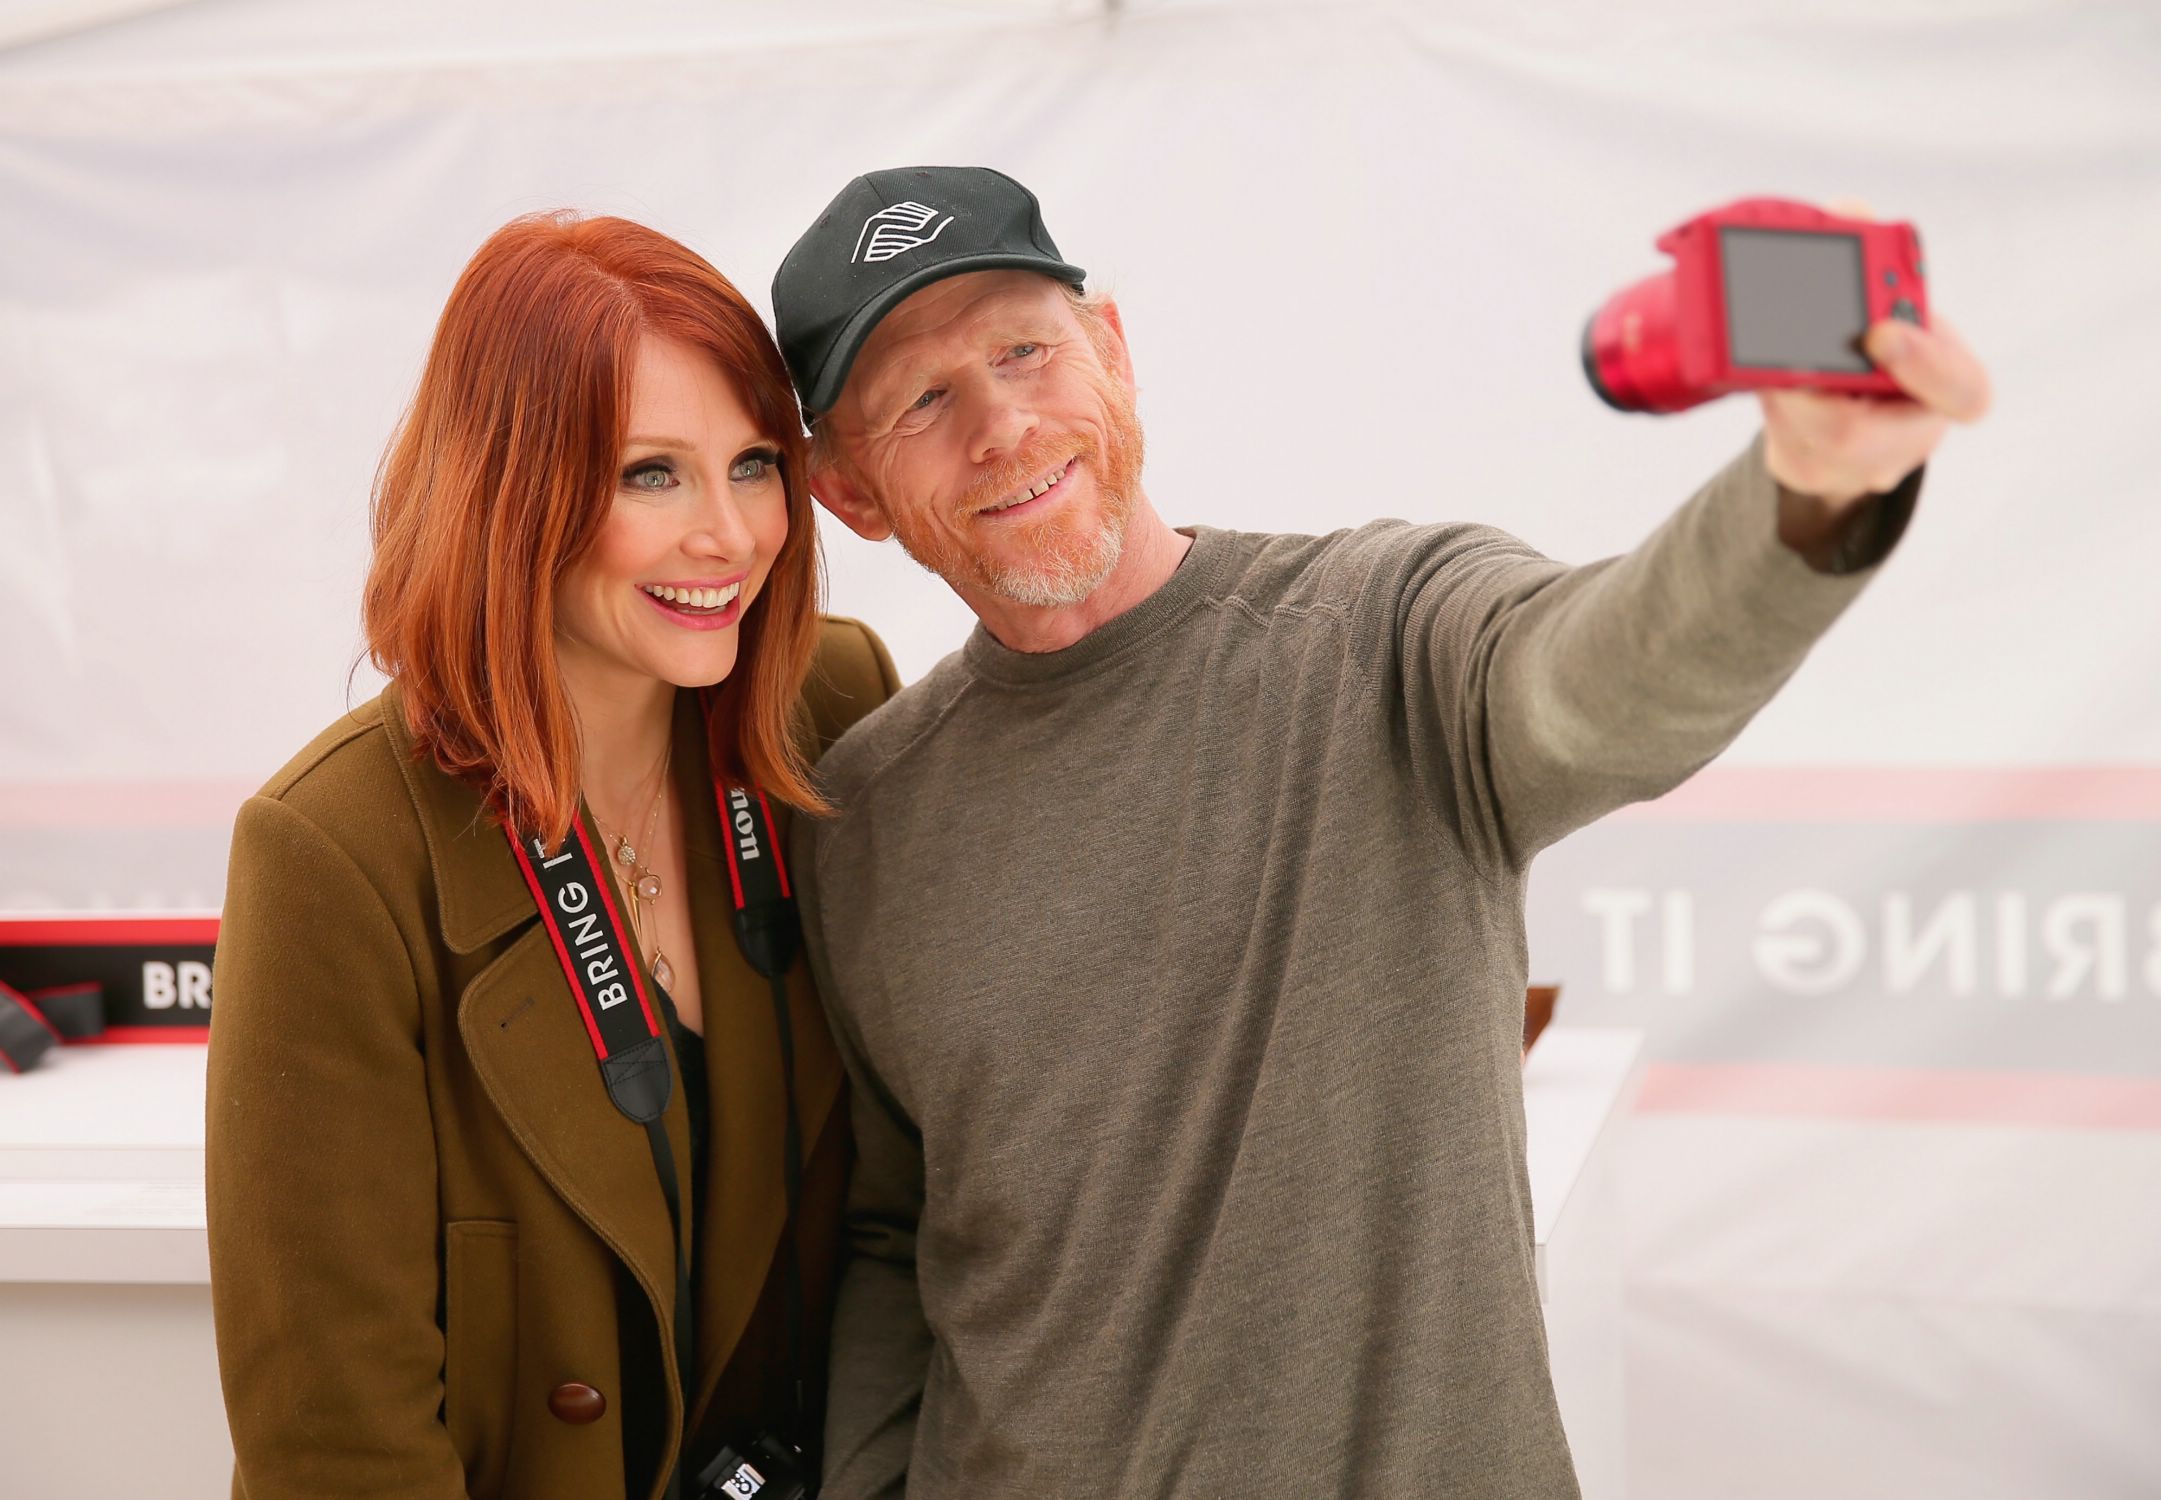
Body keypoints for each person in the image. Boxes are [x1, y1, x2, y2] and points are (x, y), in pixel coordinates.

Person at [770, 167, 1992, 1497]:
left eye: (1025, 351)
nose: (1002, 425)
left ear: (1111, 353)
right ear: (848, 491)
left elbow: (1597, 688)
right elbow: (894, 1228)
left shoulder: (1383, 630)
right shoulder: (864, 812)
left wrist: (1800, 498)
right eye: (924, 401)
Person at [207, 212, 899, 1500]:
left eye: (754, 464)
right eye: (652, 473)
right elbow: (336, 1447)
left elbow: (900, 1214)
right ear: (511, 489)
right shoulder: (331, 851)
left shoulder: (833, 703)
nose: (733, 535)